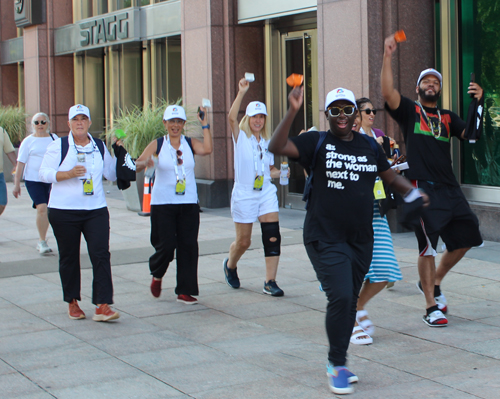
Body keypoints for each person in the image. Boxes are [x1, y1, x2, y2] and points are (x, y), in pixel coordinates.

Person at [269, 86, 426, 394]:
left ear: (355, 114)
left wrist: (412, 192)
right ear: (327, 115)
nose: (342, 117)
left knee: (349, 302)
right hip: (323, 236)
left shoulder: (369, 145)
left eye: (347, 110)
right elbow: (277, 145)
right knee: (340, 296)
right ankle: (336, 364)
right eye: (335, 111)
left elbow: (388, 176)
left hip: (360, 238)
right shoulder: (317, 141)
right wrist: (291, 110)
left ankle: (339, 359)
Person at [381, 32, 484, 327]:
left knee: (468, 237)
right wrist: (388, 54)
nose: (431, 84)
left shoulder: (448, 117)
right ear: (417, 89)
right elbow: (388, 93)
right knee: (427, 247)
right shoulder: (410, 112)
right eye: (426, 81)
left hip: (450, 189)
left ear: (439, 89)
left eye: (436, 81)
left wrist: (478, 102)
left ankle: (435, 282)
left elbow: (472, 136)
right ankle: (430, 307)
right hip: (421, 187)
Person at [39, 104, 119, 322]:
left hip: (95, 210)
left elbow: (111, 174)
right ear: (69, 124)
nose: (80, 123)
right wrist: (67, 174)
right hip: (64, 210)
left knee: (101, 254)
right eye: (76, 119)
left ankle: (102, 305)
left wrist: (120, 152)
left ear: (90, 122)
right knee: (69, 256)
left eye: (84, 119)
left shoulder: (98, 146)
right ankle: (72, 301)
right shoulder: (59, 146)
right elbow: (43, 173)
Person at [135, 104, 212, 305]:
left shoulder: (189, 143)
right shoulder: (158, 144)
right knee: (166, 246)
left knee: (188, 246)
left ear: (184, 124)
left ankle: (185, 290)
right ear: (165, 123)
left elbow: (208, 149)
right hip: (163, 204)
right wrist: (147, 163)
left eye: (179, 122)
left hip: (188, 203)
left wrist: (205, 125)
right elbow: (137, 165)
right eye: (172, 121)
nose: (175, 125)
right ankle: (158, 272)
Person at [223, 77, 285, 297]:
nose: (258, 121)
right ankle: (230, 265)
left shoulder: (267, 142)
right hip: (244, 193)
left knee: (272, 235)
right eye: (254, 117)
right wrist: (241, 92)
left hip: (266, 191)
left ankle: (270, 281)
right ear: (247, 118)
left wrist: (283, 172)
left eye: (261, 117)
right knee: (244, 241)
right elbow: (230, 118)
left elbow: (270, 170)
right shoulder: (240, 137)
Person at [349, 98, 402, 346]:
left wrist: (393, 166)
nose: (372, 114)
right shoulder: (350, 138)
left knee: (383, 270)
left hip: (377, 210)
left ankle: (357, 306)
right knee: (352, 272)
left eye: (374, 110)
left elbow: (383, 169)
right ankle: (350, 318)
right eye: (367, 111)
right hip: (354, 213)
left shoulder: (380, 135)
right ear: (356, 116)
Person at [13, 113, 57, 254]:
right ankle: (42, 241)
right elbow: (20, 164)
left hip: (51, 179)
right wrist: (16, 184)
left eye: (43, 122)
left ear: (48, 123)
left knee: (52, 211)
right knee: (42, 208)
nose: (40, 125)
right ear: (32, 125)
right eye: (36, 122)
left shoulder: (54, 139)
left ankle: (58, 239)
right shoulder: (28, 141)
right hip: (33, 180)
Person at [0, 126, 17, 216]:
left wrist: (16, 165)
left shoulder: (1, 131)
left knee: (2, 203)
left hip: (0, 174)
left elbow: (9, 150)